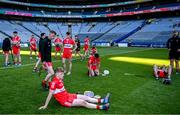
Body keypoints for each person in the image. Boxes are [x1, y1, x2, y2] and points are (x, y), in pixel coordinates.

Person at [39, 67, 110, 110]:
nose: (63, 75)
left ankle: (103, 100)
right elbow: (50, 94)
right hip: (64, 101)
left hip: (68, 95)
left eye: (63, 73)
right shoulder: (54, 82)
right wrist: (45, 105)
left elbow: (58, 91)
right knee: (83, 102)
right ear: (57, 74)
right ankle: (102, 107)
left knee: (85, 97)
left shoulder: (59, 79)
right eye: (62, 74)